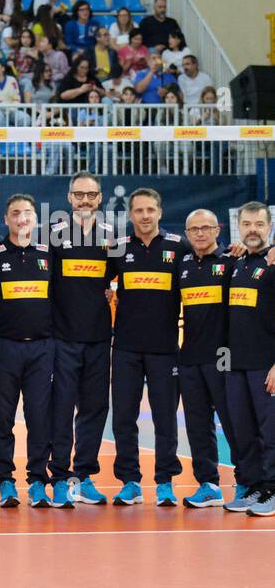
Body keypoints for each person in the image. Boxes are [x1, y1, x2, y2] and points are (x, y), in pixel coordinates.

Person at [107, 188, 184, 506]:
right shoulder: (119, 249)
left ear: (160, 212)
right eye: (139, 210)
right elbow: (92, 283)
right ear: (131, 215)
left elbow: (211, 266)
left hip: (165, 348)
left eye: (151, 209)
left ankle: (165, 481)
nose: (145, 216)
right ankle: (130, 481)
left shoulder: (179, 247)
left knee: (165, 417)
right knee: (123, 417)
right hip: (125, 347)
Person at [46, 172, 116, 507]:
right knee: (61, 409)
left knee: (94, 408)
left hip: (99, 339)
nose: (85, 200)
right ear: (69, 198)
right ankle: (59, 477)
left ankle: (84, 476)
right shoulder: (52, 235)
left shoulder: (111, 238)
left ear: (100, 199)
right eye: (79, 195)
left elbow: (119, 276)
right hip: (63, 338)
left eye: (91, 195)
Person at [0, 194, 54, 509]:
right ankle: (4, 480)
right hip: (6, 347)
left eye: (27, 212)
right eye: (15, 213)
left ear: (35, 218)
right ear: (7, 219)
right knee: (2, 416)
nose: (22, 218)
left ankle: (38, 480)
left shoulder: (49, 254)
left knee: (39, 417)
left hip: (42, 348)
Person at [173, 209, 239, 508]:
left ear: (217, 229)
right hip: (189, 358)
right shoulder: (181, 266)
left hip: (223, 358)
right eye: (194, 229)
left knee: (234, 421)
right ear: (187, 234)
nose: (200, 234)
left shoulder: (232, 262)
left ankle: (248, 481)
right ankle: (208, 484)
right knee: (198, 425)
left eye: (205, 228)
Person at [224, 202, 275, 515]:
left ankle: (272, 488)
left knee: (270, 431)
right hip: (236, 364)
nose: (252, 229)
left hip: (266, 365)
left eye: (258, 224)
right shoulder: (238, 263)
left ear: (269, 226)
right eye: (247, 224)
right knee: (244, 431)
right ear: (239, 226)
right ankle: (256, 487)